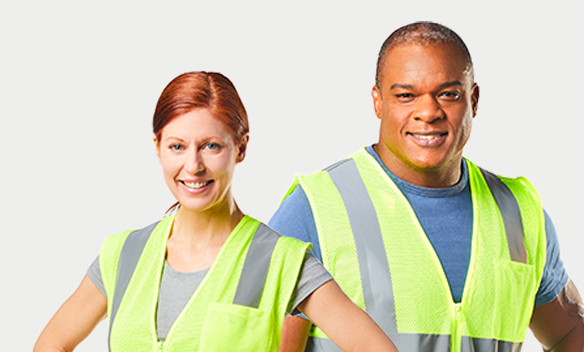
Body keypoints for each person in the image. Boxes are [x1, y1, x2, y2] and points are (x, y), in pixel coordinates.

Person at [271, 22, 584, 352]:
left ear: (474, 99)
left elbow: (569, 329)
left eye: (448, 94)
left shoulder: (518, 213)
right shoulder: (315, 207)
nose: (427, 112)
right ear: (378, 101)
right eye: (406, 96)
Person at [34, 72, 398, 352]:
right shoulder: (121, 255)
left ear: (240, 148)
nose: (193, 166)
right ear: (158, 147)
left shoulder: (281, 261)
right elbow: (51, 343)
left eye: (211, 146)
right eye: (177, 146)